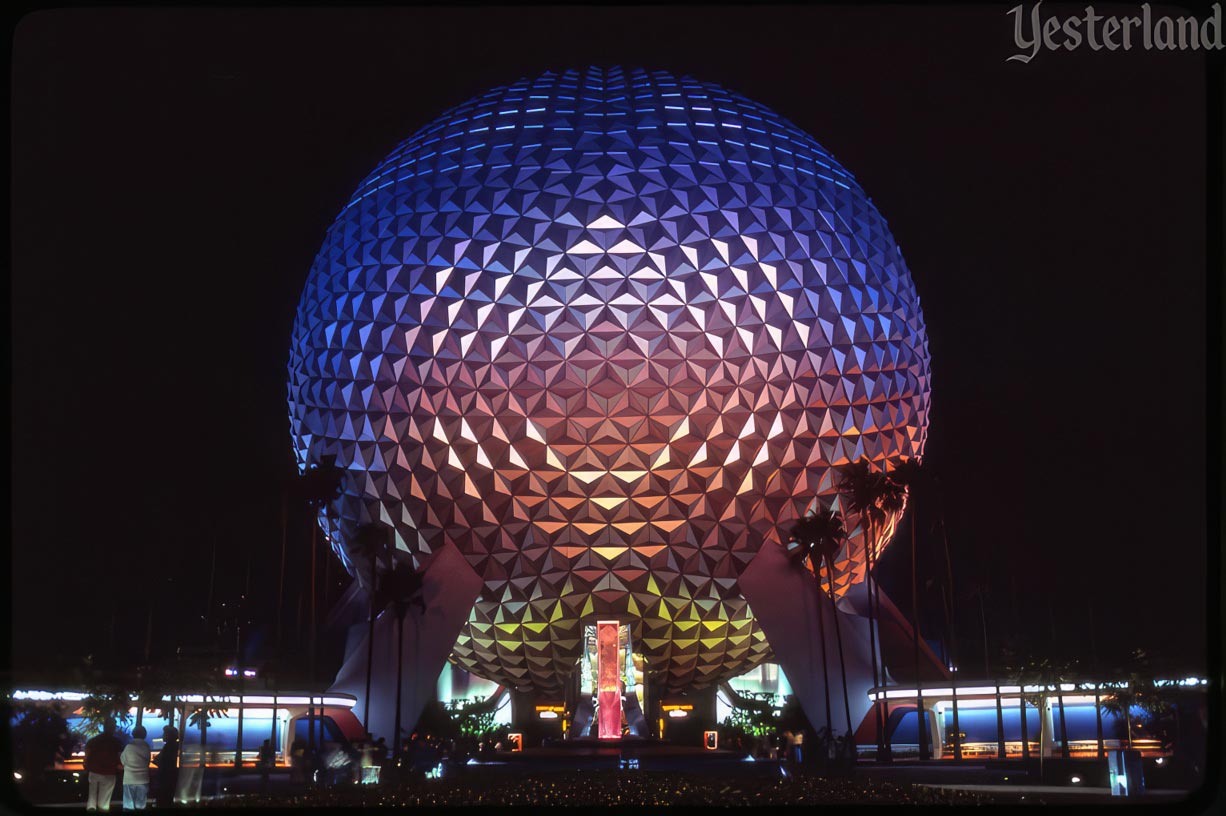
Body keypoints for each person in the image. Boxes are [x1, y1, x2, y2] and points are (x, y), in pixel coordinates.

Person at [84, 718, 123, 811]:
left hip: (94, 772)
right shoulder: (116, 742)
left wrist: (86, 766)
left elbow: (86, 756)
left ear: (104, 727)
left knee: (92, 798)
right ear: (113, 728)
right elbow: (120, 758)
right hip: (109, 773)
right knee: (104, 802)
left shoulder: (93, 740)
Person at [119, 725, 152, 810]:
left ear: (133, 734)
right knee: (141, 805)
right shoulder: (147, 747)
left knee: (128, 806)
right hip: (143, 779)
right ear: (145, 735)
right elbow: (148, 762)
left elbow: (123, 761)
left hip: (129, 778)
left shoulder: (128, 747)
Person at [151, 726, 178, 808]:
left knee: (163, 801)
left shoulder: (169, 747)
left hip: (165, 780)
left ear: (169, 735)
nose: (162, 736)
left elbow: (160, 760)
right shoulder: (173, 746)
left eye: (164, 734)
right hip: (168, 779)